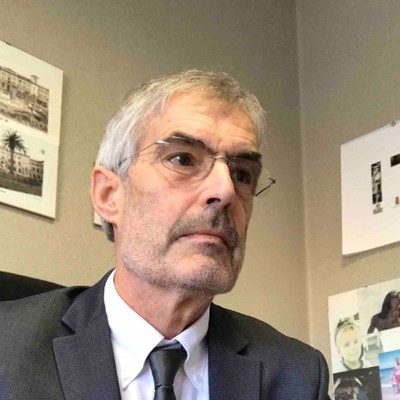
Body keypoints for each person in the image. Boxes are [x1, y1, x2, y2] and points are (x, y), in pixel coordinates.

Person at [0, 70, 330, 399]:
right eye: (183, 159)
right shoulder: (7, 346)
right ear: (109, 195)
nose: (225, 190)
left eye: (242, 175)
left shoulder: (297, 376)